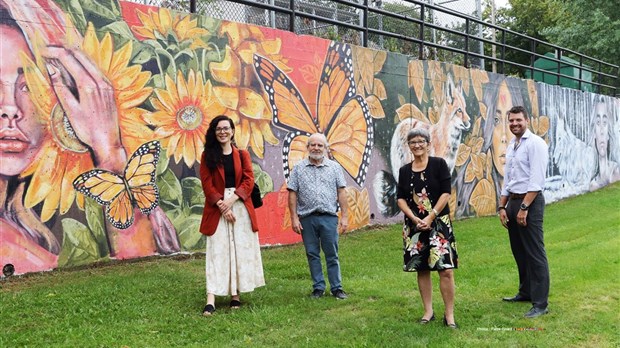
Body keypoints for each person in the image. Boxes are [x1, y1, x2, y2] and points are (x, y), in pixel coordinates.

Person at [199, 115, 265, 316]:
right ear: (214, 132)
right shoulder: (207, 155)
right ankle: (211, 298)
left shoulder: (242, 154)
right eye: (218, 129)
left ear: (232, 131)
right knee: (217, 251)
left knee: (238, 250)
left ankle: (235, 295)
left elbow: (248, 180)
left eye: (226, 128)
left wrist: (232, 200)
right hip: (216, 208)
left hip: (240, 206)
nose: (222, 132)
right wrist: (222, 205)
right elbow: (207, 183)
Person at [397, 128, 459, 329]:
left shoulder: (439, 165)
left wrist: (431, 216)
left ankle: (449, 315)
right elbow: (400, 199)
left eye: (420, 141)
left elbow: (445, 193)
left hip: (438, 224)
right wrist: (414, 218)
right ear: (409, 146)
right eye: (412, 142)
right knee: (421, 269)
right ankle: (428, 311)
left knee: (446, 270)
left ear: (428, 143)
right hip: (415, 226)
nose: (417, 145)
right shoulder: (404, 171)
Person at [497, 105, 550, 319]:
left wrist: (524, 208)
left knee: (535, 252)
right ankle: (525, 292)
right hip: (513, 202)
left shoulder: (535, 144)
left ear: (527, 120)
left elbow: (537, 180)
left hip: (530, 202)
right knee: (519, 251)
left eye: (518, 120)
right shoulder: (512, 145)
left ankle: (540, 303)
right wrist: (502, 206)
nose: (514, 124)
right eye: (511, 121)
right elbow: (508, 180)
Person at [287, 133, 349, 300]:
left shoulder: (335, 168)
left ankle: (337, 287)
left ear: (325, 148)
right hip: (307, 218)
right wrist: (294, 218)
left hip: (329, 217)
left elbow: (341, 192)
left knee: (332, 254)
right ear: (307, 148)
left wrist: (345, 216)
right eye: (313, 145)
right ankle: (318, 287)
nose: (316, 148)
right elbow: (292, 193)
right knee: (312, 253)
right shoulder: (298, 169)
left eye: (320, 145)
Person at [589, 96, 620, 190]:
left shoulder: (616, 171)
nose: (602, 130)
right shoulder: (593, 185)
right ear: (594, 132)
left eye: (605, 122)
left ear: (608, 134)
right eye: (598, 123)